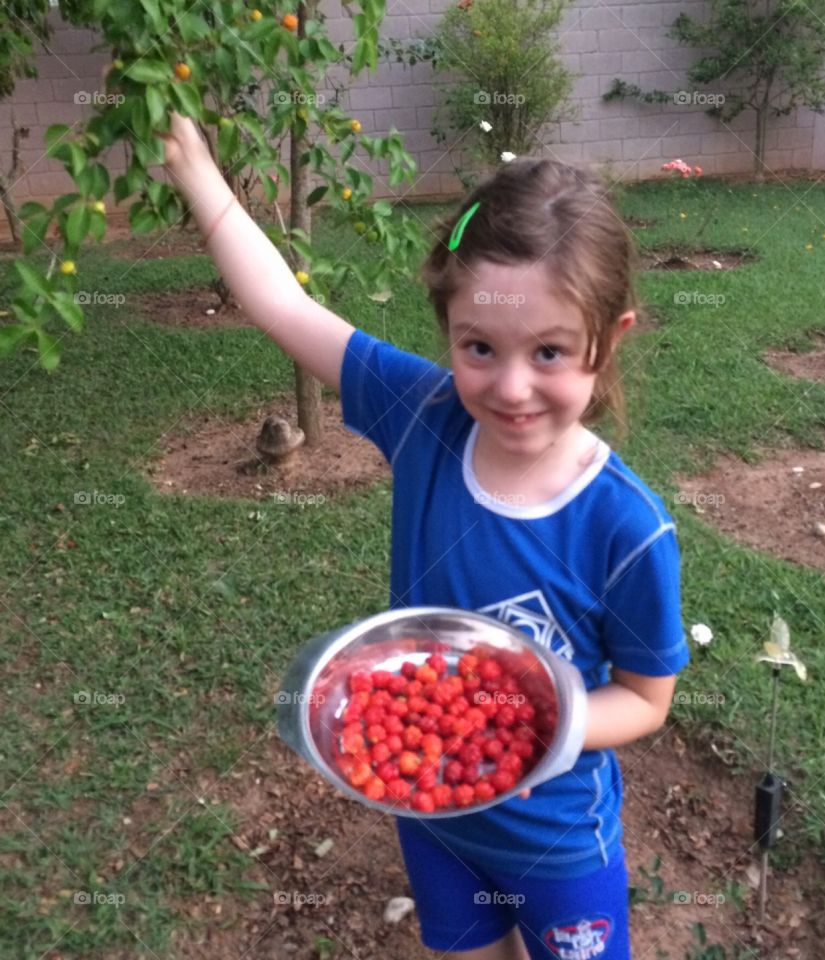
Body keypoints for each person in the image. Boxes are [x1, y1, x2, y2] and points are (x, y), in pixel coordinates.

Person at [162, 113, 689, 960]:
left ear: (608, 339)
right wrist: (197, 174)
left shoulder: (627, 527)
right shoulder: (423, 414)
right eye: (479, 346)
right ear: (446, 329)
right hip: (432, 810)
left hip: (556, 839)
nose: (511, 386)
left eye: (550, 352)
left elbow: (646, 700)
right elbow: (281, 304)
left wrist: (526, 729)